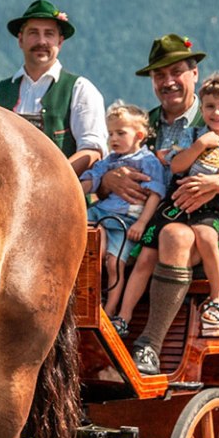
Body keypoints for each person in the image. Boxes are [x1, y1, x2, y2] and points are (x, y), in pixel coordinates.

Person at [99, 36, 219, 376]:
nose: (168, 82)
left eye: (177, 71)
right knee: (89, 239)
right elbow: (107, 170)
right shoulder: (142, 125)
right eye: (159, 76)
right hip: (139, 221)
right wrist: (108, 181)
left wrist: (215, 184)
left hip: (199, 228)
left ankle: (150, 345)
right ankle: (99, 332)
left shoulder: (218, 120)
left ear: (194, 74)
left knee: (173, 237)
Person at [0, 0, 106, 175]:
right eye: (33, 33)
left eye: (49, 34)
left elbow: (93, 151)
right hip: (6, 199)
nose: (41, 41)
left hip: (64, 200)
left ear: (60, 42)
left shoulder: (80, 89)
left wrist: (51, 181)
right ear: (21, 39)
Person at [80, 104, 167, 327]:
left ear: (139, 135)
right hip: (101, 213)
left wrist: (141, 223)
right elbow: (91, 180)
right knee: (88, 250)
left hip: (126, 221)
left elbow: (155, 195)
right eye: (110, 134)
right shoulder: (109, 161)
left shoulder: (149, 162)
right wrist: (73, 186)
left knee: (114, 264)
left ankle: (109, 309)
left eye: (120, 133)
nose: (113, 139)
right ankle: (86, 300)